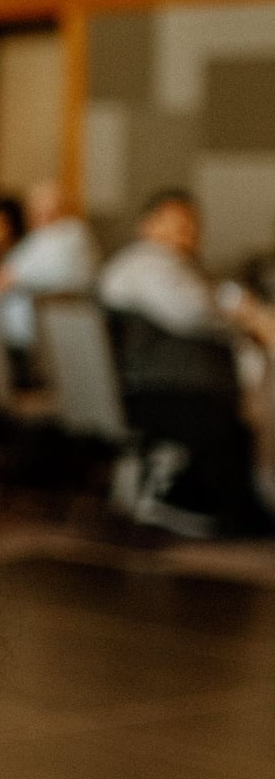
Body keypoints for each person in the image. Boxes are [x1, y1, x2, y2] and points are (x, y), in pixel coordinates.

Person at [100, 190, 271, 535]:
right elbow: (192, 312)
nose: (188, 234)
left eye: (193, 226)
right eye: (178, 224)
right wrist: (242, 317)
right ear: (148, 226)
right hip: (164, 389)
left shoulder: (160, 267)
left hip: (157, 384)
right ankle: (213, 507)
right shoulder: (149, 264)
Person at [0, 179, 97, 353]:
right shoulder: (78, 238)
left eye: (41, 210)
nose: (35, 216)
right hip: (67, 337)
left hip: (29, 341)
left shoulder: (58, 237)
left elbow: (0, 281)